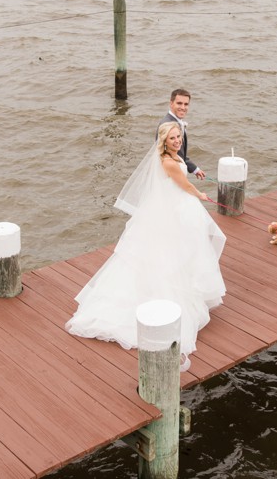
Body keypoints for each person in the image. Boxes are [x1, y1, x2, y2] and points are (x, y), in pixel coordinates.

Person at [66, 120, 226, 371]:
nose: (177, 141)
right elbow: (182, 185)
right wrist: (200, 195)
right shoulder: (168, 162)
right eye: (173, 138)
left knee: (182, 252)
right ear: (164, 141)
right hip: (175, 208)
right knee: (168, 254)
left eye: (179, 137)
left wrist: (194, 176)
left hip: (175, 208)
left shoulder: (175, 157)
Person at [159, 88, 205, 180]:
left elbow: (179, 154)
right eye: (179, 103)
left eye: (186, 104)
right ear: (171, 103)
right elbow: (163, 155)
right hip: (171, 177)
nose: (183, 107)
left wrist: (195, 169)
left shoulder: (177, 122)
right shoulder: (166, 125)